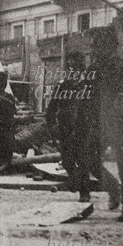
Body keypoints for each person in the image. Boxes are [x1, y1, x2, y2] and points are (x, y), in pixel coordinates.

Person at [83, 26, 123, 222]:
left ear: (108, 47)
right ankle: (113, 189)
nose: (94, 50)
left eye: (97, 46)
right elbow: (86, 100)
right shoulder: (92, 70)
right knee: (90, 161)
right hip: (99, 125)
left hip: (121, 125)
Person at [45, 52, 93, 202]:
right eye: (70, 67)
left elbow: (94, 109)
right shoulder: (62, 86)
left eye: (77, 67)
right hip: (65, 129)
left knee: (83, 161)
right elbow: (51, 109)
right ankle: (76, 181)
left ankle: (84, 193)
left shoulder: (88, 87)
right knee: (67, 161)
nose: (73, 71)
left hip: (82, 129)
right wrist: (52, 126)